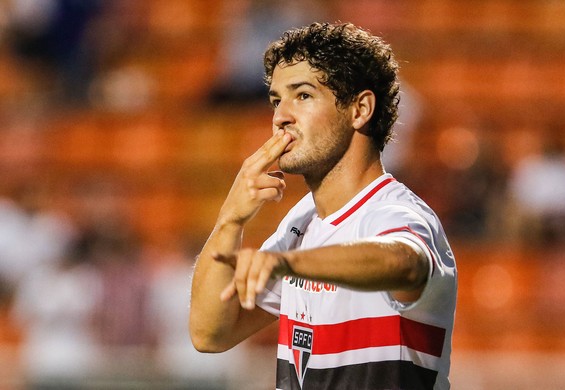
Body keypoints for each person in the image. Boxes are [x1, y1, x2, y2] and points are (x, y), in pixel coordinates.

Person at [190, 22, 457, 390]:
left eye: (302, 95)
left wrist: (286, 264)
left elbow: (405, 265)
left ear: (360, 109)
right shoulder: (301, 222)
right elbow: (210, 334)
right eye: (275, 100)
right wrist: (230, 221)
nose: (280, 116)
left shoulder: (396, 212)